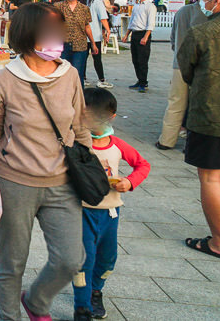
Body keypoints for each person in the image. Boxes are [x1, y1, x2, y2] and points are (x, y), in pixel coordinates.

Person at [0, 2, 90, 321]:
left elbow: (81, 126)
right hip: (15, 183)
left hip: (63, 183)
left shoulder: (70, 74)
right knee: (12, 263)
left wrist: (92, 166)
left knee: (71, 259)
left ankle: (36, 301)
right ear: (28, 34)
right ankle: (9, 316)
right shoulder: (4, 79)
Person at [73, 87, 150, 321]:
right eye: (84, 115)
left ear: (110, 117)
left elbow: (143, 165)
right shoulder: (75, 143)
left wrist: (129, 181)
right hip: (82, 211)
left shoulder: (116, 144)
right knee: (84, 260)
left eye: (95, 116)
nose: (89, 120)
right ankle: (82, 306)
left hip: (110, 212)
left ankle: (96, 291)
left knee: (107, 258)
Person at [176, 0, 220, 261]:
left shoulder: (202, 32)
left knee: (213, 179)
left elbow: (186, 70)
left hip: (213, 114)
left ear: (216, 0)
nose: (201, 3)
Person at [156, 0, 207, 150]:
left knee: (176, 103)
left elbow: (172, 39)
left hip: (179, 64)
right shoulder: (208, 15)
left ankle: (166, 140)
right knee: (198, 105)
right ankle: (192, 142)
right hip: (201, 66)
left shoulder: (183, 11)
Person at [55, 0, 98, 86]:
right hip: (62, 44)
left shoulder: (84, 9)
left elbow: (87, 26)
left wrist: (93, 43)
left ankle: (78, 98)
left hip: (80, 45)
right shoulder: (58, 6)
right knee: (62, 73)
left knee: (77, 73)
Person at [125, 0, 156, 92]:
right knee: (135, 59)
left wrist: (146, 37)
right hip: (135, 33)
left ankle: (144, 82)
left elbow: (150, 23)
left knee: (143, 60)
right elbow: (132, 21)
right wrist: (126, 34)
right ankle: (139, 79)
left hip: (143, 34)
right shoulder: (136, 6)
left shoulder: (150, 6)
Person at [82, 0, 113, 89]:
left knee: (83, 58)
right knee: (97, 58)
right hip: (95, 35)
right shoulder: (97, 2)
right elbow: (103, 18)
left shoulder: (81, 3)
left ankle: (83, 77)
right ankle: (101, 79)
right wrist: (108, 31)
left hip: (82, 35)